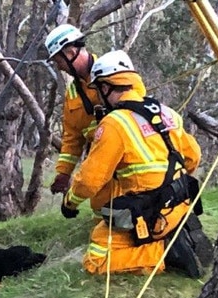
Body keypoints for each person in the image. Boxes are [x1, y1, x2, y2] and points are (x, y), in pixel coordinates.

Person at [60, 49, 208, 278]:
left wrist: (70, 202)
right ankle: (178, 233)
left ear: (107, 87)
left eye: (99, 91)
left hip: (148, 212)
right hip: (180, 203)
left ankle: (164, 253)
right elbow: (193, 157)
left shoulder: (114, 123)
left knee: (97, 257)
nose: (98, 98)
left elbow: (90, 180)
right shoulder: (166, 112)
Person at [44, 24, 122, 216]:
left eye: (58, 61)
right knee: (107, 216)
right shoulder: (72, 94)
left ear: (70, 52)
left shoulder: (112, 73)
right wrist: (63, 173)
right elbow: (72, 137)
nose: (59, 66)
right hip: (101, 168)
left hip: (125, 163)